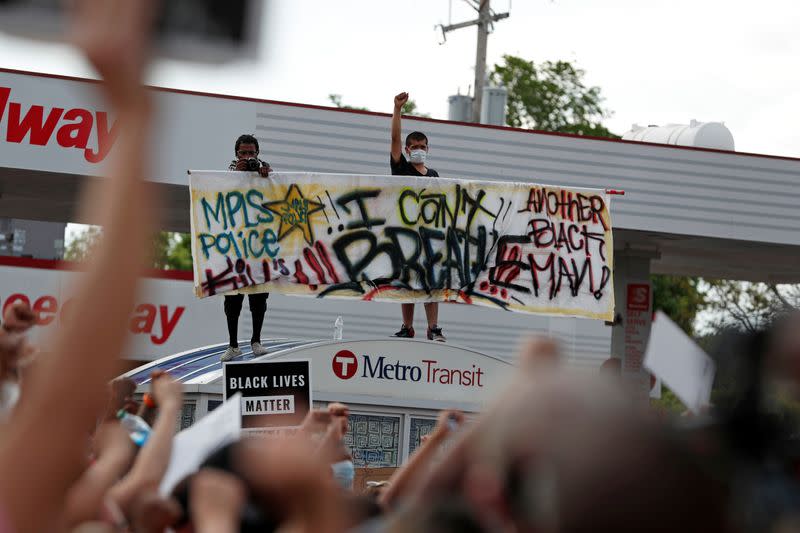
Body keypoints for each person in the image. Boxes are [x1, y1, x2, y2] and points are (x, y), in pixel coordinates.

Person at [389, 92, 446, 342]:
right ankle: (407, 326)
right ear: (407, 149)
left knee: (431, 283)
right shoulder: (400, 168)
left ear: (428, 149)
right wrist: (397, 110)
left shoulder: (434, 174)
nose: (419, 151)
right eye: (415, 147)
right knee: (407, 283)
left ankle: (433, 327)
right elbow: (393, 138)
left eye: (423, 147)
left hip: (429, 235)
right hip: (405, 234)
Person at [221, 134, 272, 362]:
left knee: (259, 298)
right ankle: (232, 344)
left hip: (259, 245)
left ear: (258, 153)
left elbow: (276, 196)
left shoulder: (266, 171)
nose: (248, 157)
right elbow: (220, 195)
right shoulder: (227, 173)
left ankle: (256, 340)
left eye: (252, 152)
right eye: (244, 153)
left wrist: (268, 176)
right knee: (233, 299)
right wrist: (238, 175)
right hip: (235, 245)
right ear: (236, 154)